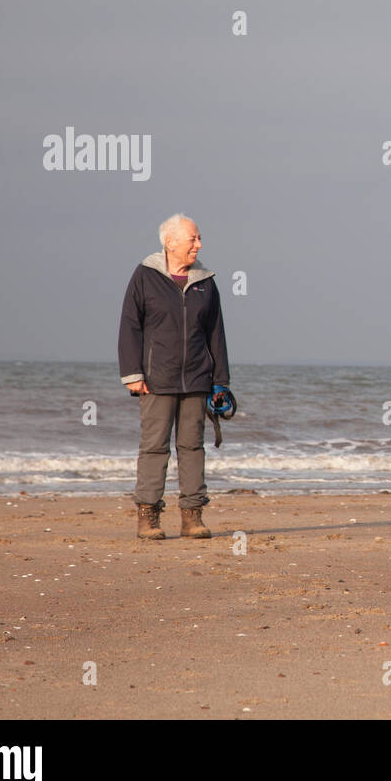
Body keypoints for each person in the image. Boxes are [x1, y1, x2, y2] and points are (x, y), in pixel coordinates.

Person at [117, 214, 230, 540]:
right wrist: (132, 374)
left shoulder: (206, 281)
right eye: (193, 238)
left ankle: (192, 517)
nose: (199, 244)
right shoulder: (144, 276)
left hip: (197, 379)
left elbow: (216, 333)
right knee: (154, 447)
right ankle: (148, 516)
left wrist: (220, 380)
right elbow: (130, 325)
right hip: (156, 379)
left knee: (193, 447)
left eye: (198, 238)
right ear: (171, 242)